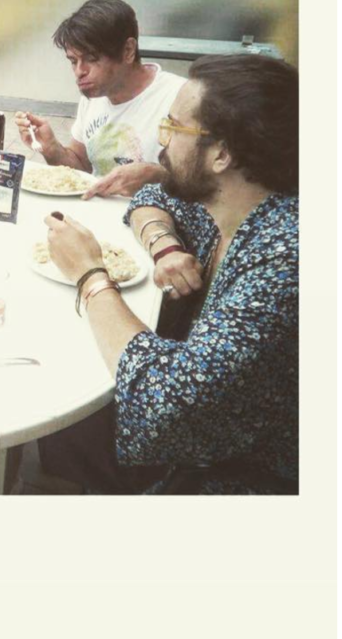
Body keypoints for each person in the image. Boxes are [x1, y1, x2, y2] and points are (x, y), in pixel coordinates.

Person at [39, 53, 298, 494]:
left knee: (65, 412)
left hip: (237, 474)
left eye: (173, 128)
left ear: (222, 154)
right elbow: (153, 197)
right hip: (196, 428)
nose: (162, 144)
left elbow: (162, 406)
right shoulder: (233, 204)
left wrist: (91, 275)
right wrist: (166, 246)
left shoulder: (282, 262)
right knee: (60, 412)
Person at [15, 0, 185, 199]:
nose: (80, 71)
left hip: (155, 217)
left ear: (128, 51)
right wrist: (51, 148)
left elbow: (211, 184)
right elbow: (82, 170)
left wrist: (160, 177)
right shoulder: (94, 95)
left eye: (91, 58)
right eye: (73, 61)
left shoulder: (181, 98)